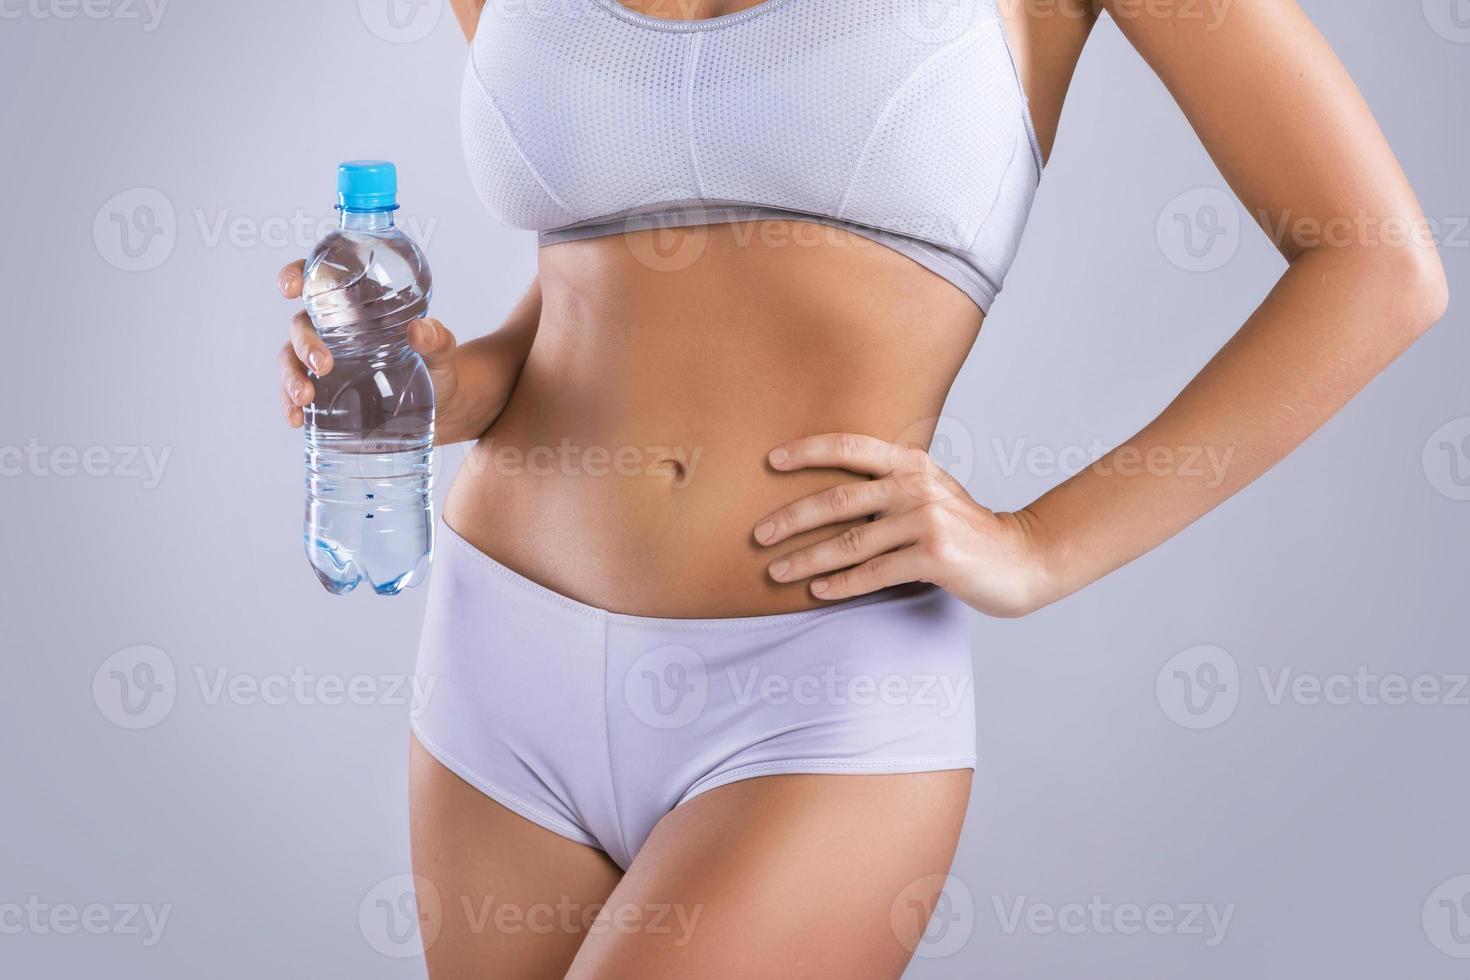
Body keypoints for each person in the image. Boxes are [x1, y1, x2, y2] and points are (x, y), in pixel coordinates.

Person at [275, 0, 1447, 975]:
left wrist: (1041, 546)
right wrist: (445, 384)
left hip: (809, 694)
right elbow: (606, 267)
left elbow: (1378, 264)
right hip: (500, 657)